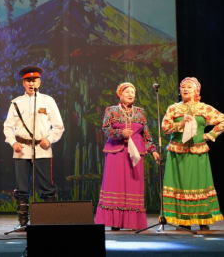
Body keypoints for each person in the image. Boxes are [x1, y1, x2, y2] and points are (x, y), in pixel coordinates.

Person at [3, 66, 65, 230]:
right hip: (22, 149)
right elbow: (8, 127)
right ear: (23, 83)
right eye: (28, 80)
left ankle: (49, 220)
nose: (31, 83)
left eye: (34, 80)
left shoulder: (48, 100)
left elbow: (59, 126)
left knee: (46, 186)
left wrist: (50, 139)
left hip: (42, 148)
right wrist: (12, 142)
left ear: (40, 81)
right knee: (22, 187)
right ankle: (23, 222)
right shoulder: (16, 102)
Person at [95, 82, 160, 231]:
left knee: (133, 185)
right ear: (120, 94)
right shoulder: (111, 110)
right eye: (127, 92)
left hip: (135, 153)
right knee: (115, 184)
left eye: (133, 92)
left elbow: (146, 133)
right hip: (116, 152)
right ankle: (115, 222)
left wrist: (153, 150)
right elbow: (106, 129)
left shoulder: (140, 112)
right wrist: (120, 134)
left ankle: (133, 222)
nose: (131, 95)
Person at [162, 77, 224, 231]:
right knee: (181, 185)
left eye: (189, 87)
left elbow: (222, 120)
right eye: (183, 87)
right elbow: (165, 128)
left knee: (200, 184)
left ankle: (203, 219)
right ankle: (183, 220)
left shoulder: (204, 108)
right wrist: (180, 124)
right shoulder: (174, 108)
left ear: (197, 91)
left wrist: (209, 135)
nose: (185, 89)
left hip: (198, 152)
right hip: (178, 153)